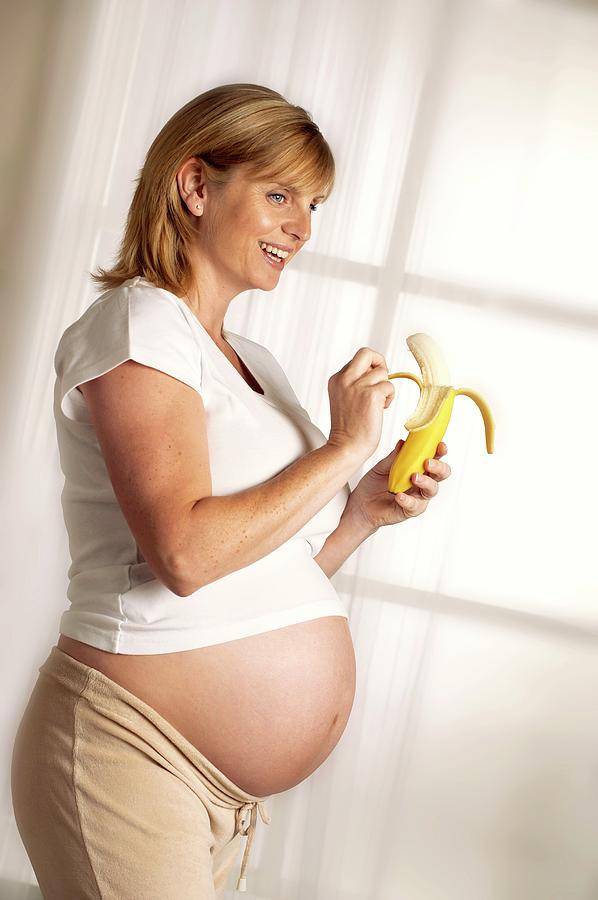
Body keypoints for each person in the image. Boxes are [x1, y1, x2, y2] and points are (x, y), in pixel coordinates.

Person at [10, 82, 451, 899]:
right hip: (128, 751)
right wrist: (345, 446)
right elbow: (184, 551)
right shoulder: (138, 323)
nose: (303, 227)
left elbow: (256, 583)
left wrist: (360, 511)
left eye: (314, 203)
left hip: (210, 790)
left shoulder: (256, 364)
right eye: (280, 194)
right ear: (195, 186)